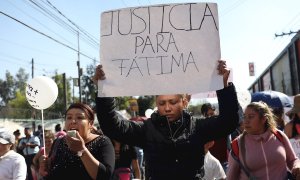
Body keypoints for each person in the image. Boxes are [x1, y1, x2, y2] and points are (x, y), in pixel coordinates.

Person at [94, 60, 240, 179]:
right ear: (156, 104)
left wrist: (225, 87)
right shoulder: (147, 129)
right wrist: (104, 92)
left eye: (173, 102)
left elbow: (228, 122)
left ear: (184, 102)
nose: (167, 108)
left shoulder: (197, 127)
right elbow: (112, 126)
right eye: (162, 103)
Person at [39, 102, 115, 180]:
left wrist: (81, 150)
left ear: (91, 124)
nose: (73, 121)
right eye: (69, 118)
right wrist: (45, 167)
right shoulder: (59, 142)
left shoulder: (103, 142)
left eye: (79, 117)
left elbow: (105, 176)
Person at [227, 101, 300, 180]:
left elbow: (293, 160)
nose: (246, 121)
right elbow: (231, 177)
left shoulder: (279, 136)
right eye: (244, 117)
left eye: (251, 116)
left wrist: (297, 166)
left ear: (263, 119)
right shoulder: (237, 144)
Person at [201, 103, 230, 173]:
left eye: (211, 114)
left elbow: (229, 143)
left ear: (215, 112)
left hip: (224, 162)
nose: (210, 117)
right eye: (207, 115)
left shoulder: (222, 123)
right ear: (203, 115)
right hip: (210, 164)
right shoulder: (202, 127)